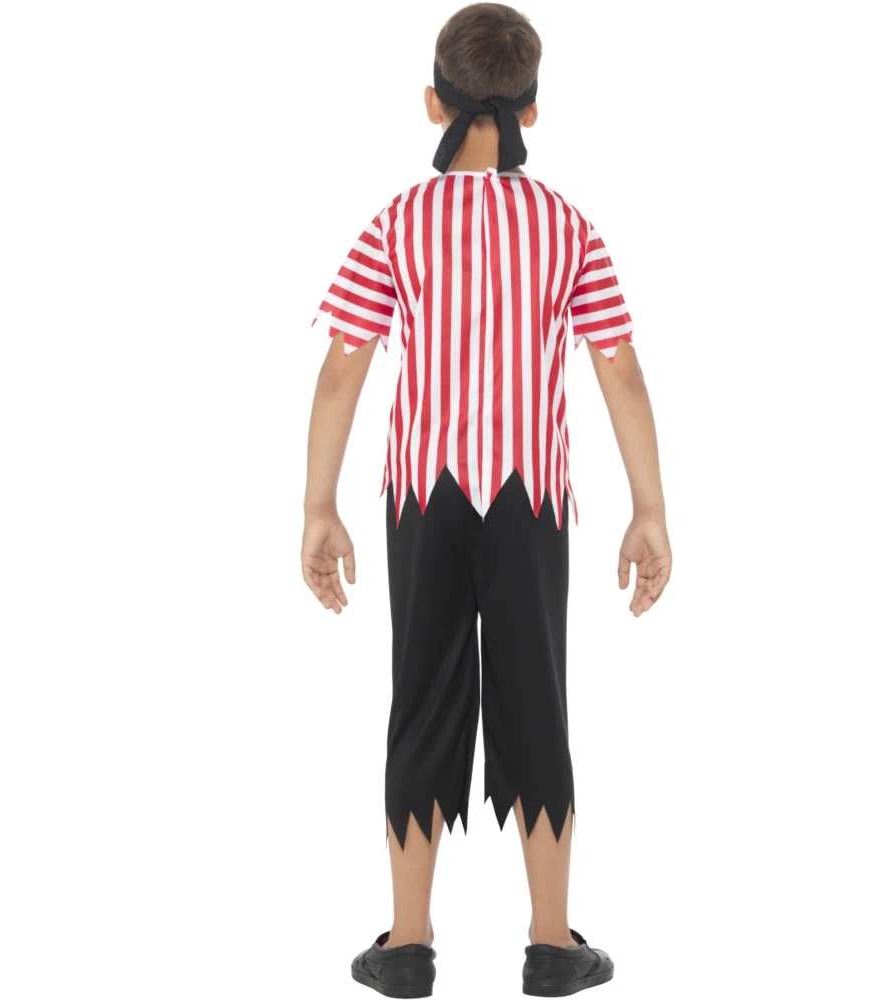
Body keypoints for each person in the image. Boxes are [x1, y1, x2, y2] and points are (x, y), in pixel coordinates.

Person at [302, 4, 671, 995]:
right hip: (529, 499)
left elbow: (342, 369)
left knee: (420, 696)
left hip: (423, 497)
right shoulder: (566, 226)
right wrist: (649, 508)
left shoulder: (397, 221)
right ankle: (550, 942)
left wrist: (318, 506)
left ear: (433, 101)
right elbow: (619, 368)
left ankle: (406, 942)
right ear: (531, 110)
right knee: (535, 697)